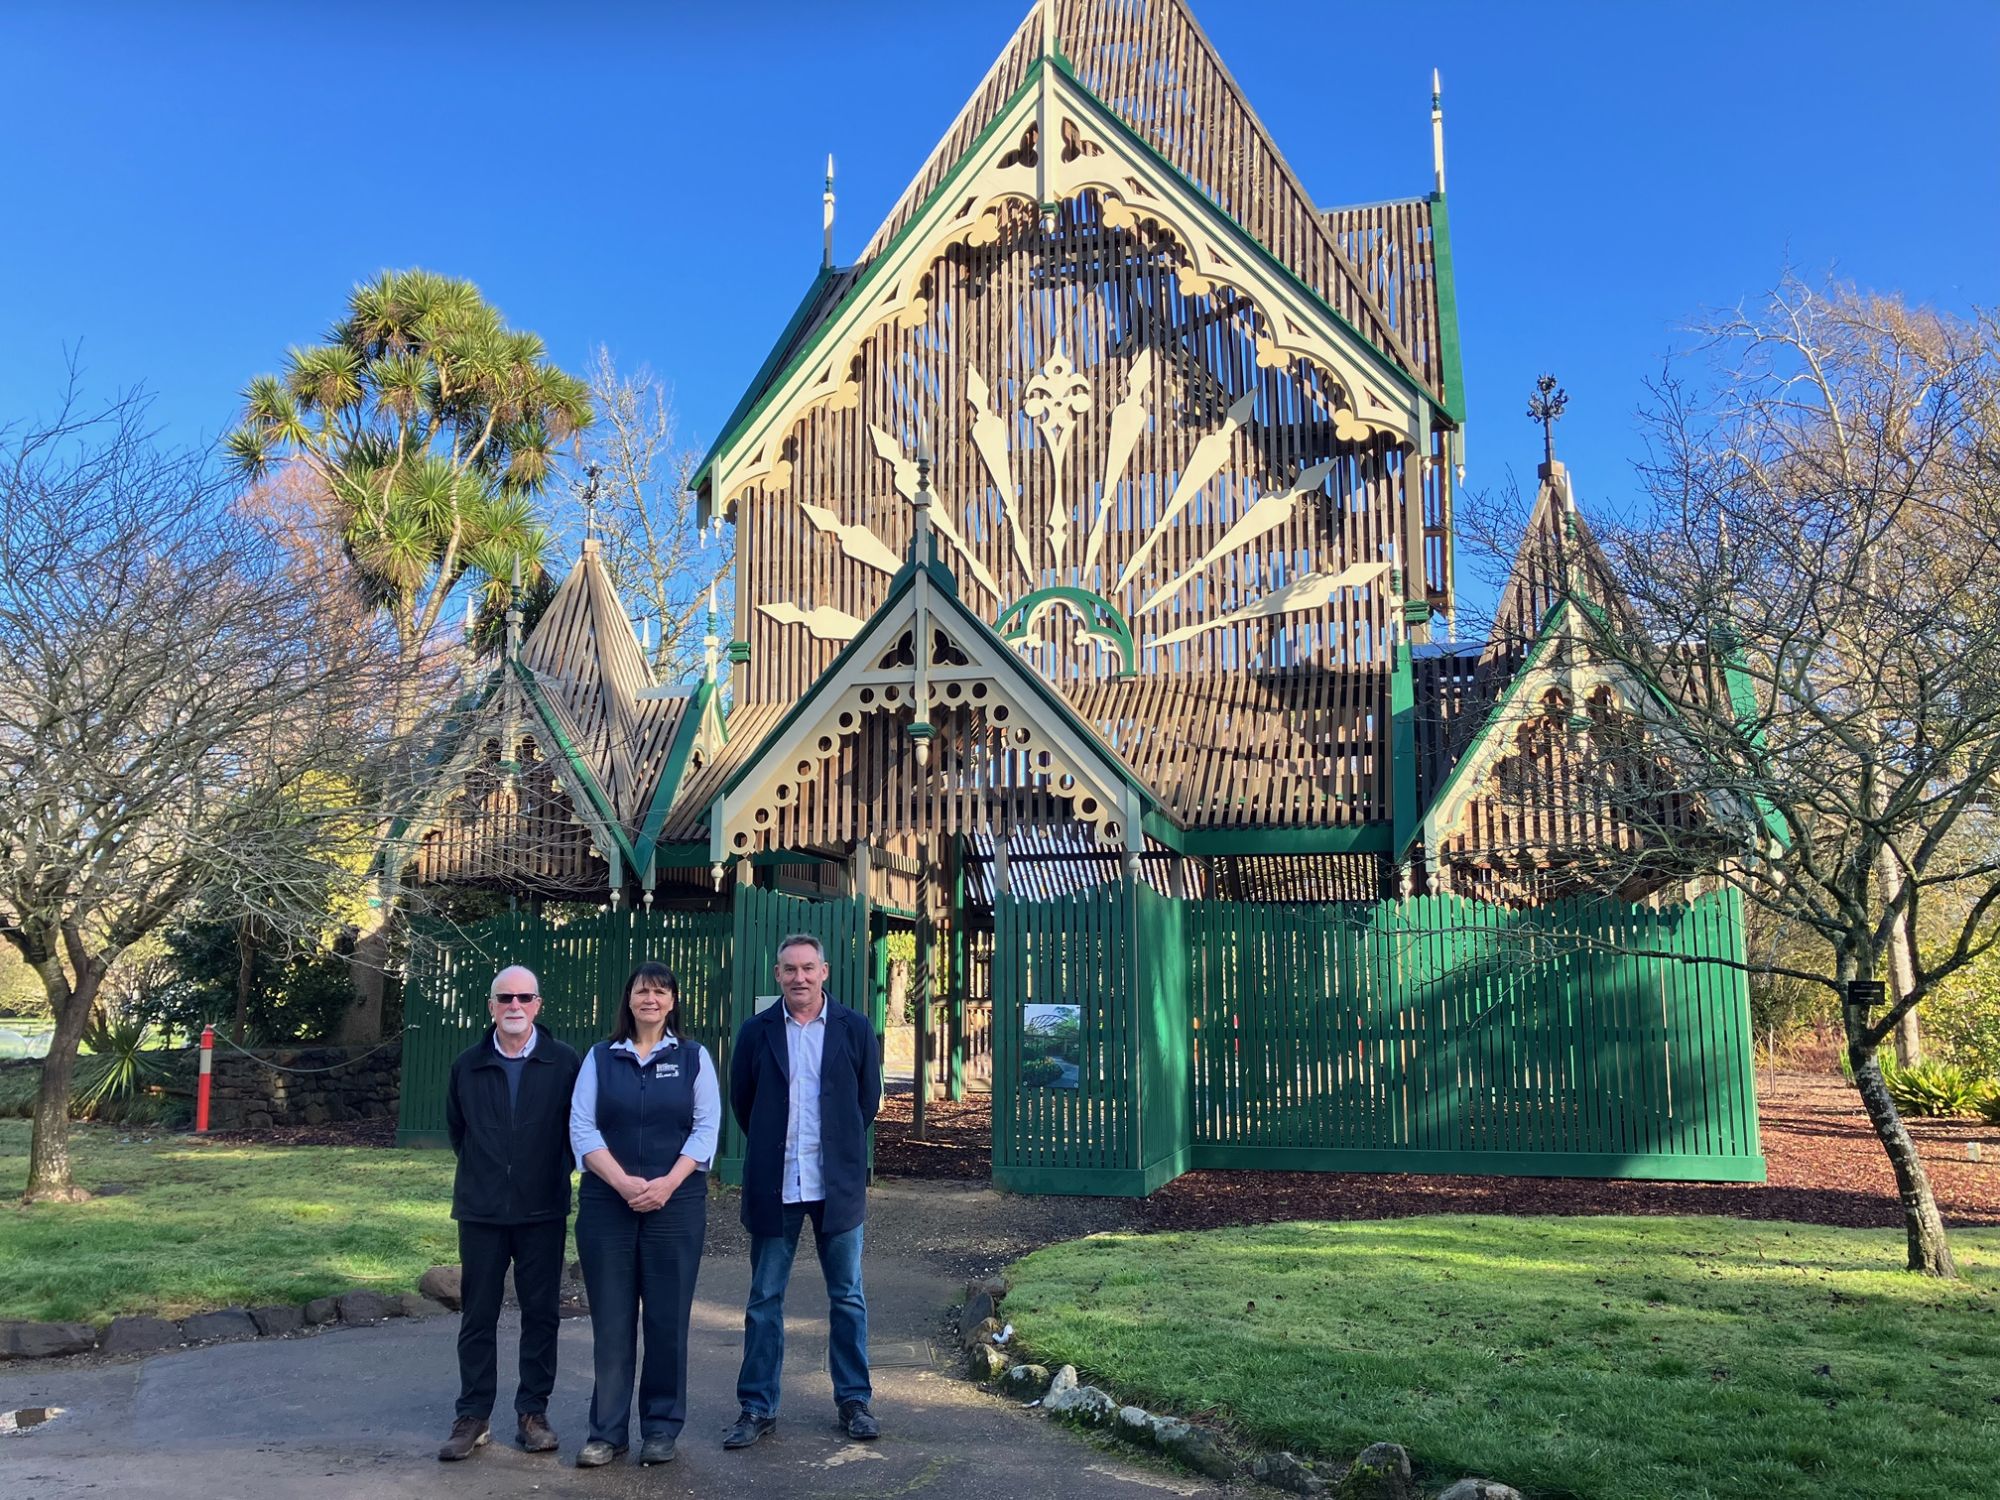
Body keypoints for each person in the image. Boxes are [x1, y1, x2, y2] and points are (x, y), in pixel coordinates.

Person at [723, 932, 882, 1449]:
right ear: (777, 975)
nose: (799, 977)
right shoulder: (757, 1031)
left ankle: (854, 1400)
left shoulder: (854, 1028)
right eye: (789, 968)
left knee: (848, 1297)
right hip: (776, 1184)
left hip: (835, 1185)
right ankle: (756, 1407)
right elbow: (743, 1102)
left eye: (808, 968)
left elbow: (868, 1100)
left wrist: (837, 1149)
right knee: (764, 1299)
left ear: (825, 972)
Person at [568, 961, 720, 1468]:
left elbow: (705, 1131)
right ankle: (606, 1433)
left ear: (673, 1001)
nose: (650, 999)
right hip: (606, 1206)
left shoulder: (695, 1058)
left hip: (675, 1207)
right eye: (641, 991)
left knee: (666, 1322)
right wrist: (623, 1182)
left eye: (659, 991)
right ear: (628, 1000)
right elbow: (583, 1128)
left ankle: (660, 1429)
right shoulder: (599, 1057)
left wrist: (666, 1185)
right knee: (611, 1324)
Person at [439, 965, 581, 1462]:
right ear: (491, 1006)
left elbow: (576, 1130)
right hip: (481, 1211)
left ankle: (532, 1414)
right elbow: (460, 1132)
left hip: (542, 1209)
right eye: (505, 998)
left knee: (541, 1315)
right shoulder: (467, 1064)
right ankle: (473, 1416)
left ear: (538, 1004)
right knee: (478, 1315)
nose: (514, 1006)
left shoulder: (565, 1062)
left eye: (524, 997)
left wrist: (546, 1172)